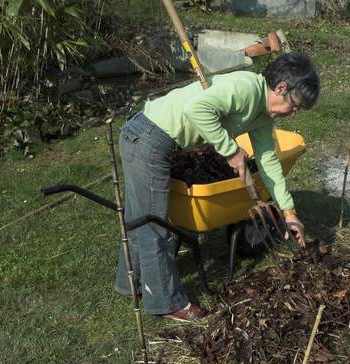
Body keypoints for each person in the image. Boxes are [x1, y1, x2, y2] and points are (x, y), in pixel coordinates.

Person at [115, 52, 320, 321]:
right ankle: (167, 303)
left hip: (148, 137)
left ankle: (128, 282)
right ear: (282, 88)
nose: (293, 114)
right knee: (156, 225)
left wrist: (289, 213)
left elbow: (269, 161)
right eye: (295, 105)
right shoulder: (245, 89)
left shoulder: (262, 114)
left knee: (140, 216)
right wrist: (230, 150)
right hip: (149, 138)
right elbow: (197, 109)